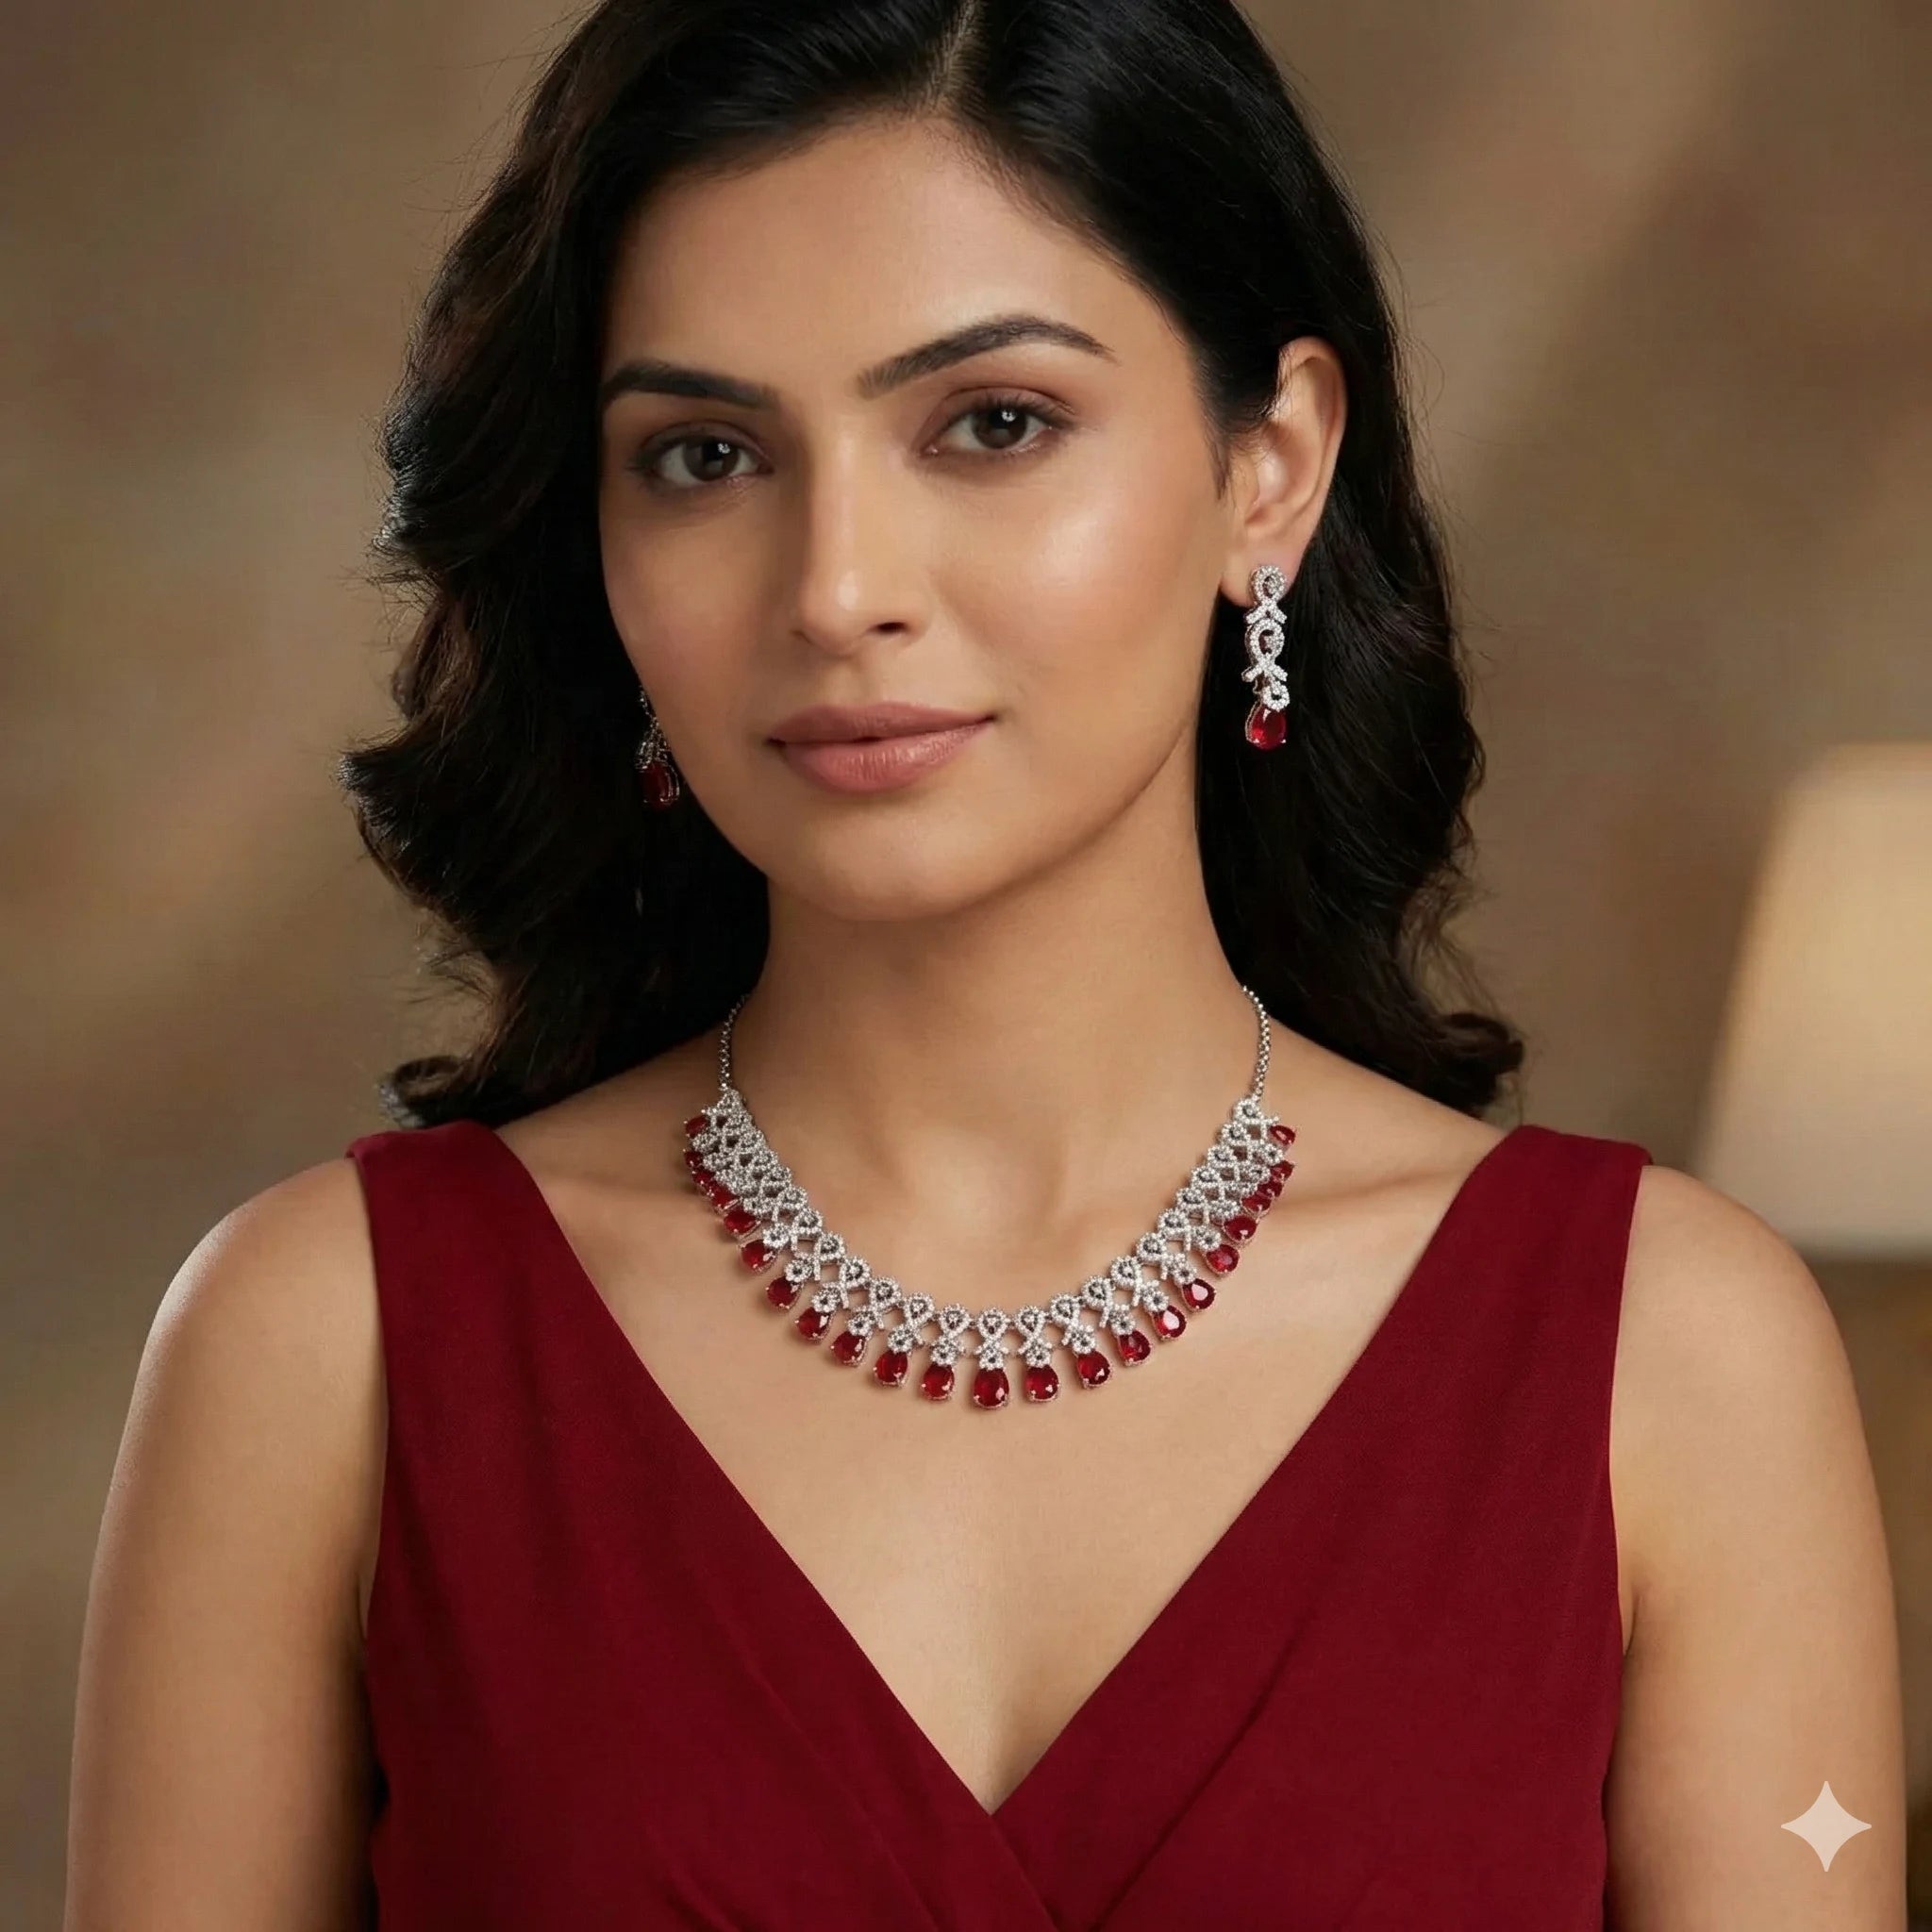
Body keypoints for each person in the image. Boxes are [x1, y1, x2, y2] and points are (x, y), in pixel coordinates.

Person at [64, 0, 1905, 1924]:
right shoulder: (321, 1343)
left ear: (1269, 462)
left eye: (993, 424)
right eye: (702, 455)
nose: (838, 582)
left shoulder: (1666, 1354)